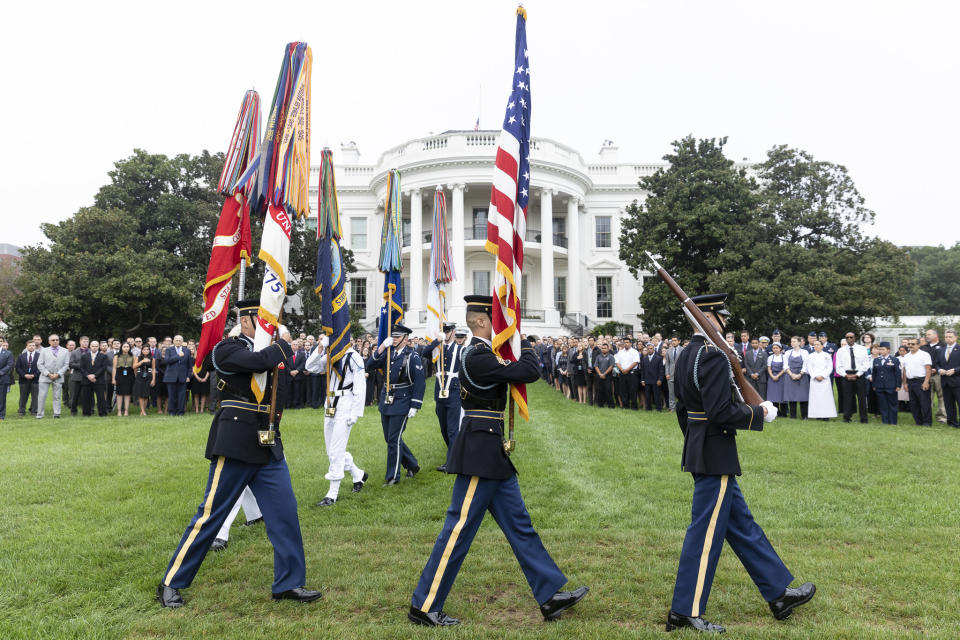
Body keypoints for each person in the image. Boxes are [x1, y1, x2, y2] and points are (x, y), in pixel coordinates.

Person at [408, 295, 589, 627]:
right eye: (498, 321)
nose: (504, 328)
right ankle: (425, 605)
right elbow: (530, 371)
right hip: (479, 451)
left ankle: (548, 596)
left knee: (521, 526)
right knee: (457, 530)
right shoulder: (477, 355)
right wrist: (528, 343)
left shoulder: (485, 354)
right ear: (480, 322)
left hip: (491, 452)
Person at [157, 299, 321, 608]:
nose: (270, 326)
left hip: (269, 441)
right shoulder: (227, 349)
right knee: (211, 516)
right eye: (263, 320)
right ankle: (171, 582)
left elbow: (278, 393)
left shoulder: (273, 353)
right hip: (235, 440)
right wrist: (284, 346)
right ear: (245, 321)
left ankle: (288, 583)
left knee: (285, 514)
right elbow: (257, 362)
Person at [666, 293, 815, 634]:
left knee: (742, 526)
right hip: (716, 454)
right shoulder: (714, 356)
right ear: (707, 319)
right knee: (704, 536)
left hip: (702, 450)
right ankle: (684, 611)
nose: (725, 324)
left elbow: (682, 409)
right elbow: (721, 412)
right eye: (720, 318)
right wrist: (758, 412)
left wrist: (694, 443)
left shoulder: (687, 353)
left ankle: (778, 594)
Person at [305, 334, 369, 506]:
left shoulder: (354, 357)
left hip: (346, 404)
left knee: (336, 450)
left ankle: (332, 494)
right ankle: (358, 474)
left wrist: (355, 412)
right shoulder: (331, 356)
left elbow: (360, 386)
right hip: (330, 404)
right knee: (331, 450)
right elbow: (310, 366)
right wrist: (320, 348)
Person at [366, 323, 425, 485]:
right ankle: (412, 464)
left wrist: (415, 405)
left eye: (397, 337)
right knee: (390, 438)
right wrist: (380, 348)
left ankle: (393, 476)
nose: (394, 339)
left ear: (405, 339)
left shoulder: (412, 357)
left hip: (402, 400)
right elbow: (370, 365)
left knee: (393, 439)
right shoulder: (388, 353)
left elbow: (420, 383)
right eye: (393, 337)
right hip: (386, 399)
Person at [834, 332, 870, 424]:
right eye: (847, 337)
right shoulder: (840, 351)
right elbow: (838, 366)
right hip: (846, 375)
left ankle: (864, 418)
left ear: (855, 338)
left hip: (859, 375)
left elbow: (866, 364)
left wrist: (857, 374)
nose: (849, 339)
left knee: (861, 398)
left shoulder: (862, 349)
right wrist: (846, 375)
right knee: (847, 397)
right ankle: (847, 417)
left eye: (851, 337)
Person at [36, 334, 70, 419]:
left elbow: (66, 365)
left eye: (57, 340)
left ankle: (57, 413)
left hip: (58, 377)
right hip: (45, 377)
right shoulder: (44, 351)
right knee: (42, 396)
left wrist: (58, 374)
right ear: (49, 342)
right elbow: (39, 364)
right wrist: (48, 374)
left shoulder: (65, 351)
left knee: (57, 396)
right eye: (53, 340)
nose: (55, 341)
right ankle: (40, 414)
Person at [901, 338, 933, 426]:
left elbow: (928, 369)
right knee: (913, 404)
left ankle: (927, 422)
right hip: (910, 382)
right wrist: (905, 383)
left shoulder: (924, 354)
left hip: (921, 381)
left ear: (918, 345)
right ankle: (918, 422)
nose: (910, 346)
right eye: (909, 344)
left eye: (913, 344)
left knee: (924, 403)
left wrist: (926, 382)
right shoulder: (906, 356)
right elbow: (904, 371)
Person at [869, 342, 901, 425]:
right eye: (880, 349)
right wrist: (874, 385)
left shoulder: (895, 360)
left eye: (883, 349)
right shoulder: (876, 360)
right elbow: (874, 373)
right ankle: (885, 421)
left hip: (891, 386)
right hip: (879, 386)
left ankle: (893, 421)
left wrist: (898, 385)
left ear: (888, 350)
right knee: (883, 404)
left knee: (892, 404)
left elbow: (898, 373)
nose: (881, 351)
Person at [805, 340, 837, 420]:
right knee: (816, 398)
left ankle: (826, 416)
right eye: (815, 345)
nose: (816, 346)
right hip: (814, 379)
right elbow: (809, 368)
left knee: (826, 398)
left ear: (822, 346)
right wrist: (815, 376)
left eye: (818, 345)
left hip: (825, 380)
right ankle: (817, 415)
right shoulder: (810, 356)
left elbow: (830, 367)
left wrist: (823, 376)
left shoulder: (827, 355)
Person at [921, 329, 947, 424]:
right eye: (926, 334)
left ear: (936, 335)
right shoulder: (923, 347)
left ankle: (942, 417)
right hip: (926, 375)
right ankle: (927, 417)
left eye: (929, 334)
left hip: (940, 375)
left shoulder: (944, 346)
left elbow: (946, 360)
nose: (927, 336)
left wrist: (936, 368)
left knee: (942, 396)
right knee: (927, 396)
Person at [936, 329, 959, 428]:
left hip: (958, 381)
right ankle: (952, 423)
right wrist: (939, 369)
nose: (948, 338)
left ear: (956, 337)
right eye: (946, 337)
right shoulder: (941, 350)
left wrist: (955, 370)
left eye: (950, 337)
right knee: (949, 404)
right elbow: (936, 363)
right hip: (945, 382)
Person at [164, 335, 192, 416]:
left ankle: (180, 412)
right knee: (172, 395)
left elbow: (189, 366)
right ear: (173, 341)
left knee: (182, 396)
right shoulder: (169, 350)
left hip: (183, 377)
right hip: (171, 377)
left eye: (180, 340)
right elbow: (167, 361)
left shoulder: (187, 351)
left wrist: (188, 376)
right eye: (177, 340)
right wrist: (178, 356)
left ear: (182, 341)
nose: (178, 341)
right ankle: (172, 411)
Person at [783, 337, 809, 420]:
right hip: (790, 375)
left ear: (799, 343)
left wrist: (800, 374)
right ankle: (793, 416)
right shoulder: (787, 353)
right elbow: (785, 365)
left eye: (794, 341)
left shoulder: (804, 352)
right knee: (792, 396)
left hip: (802, 375)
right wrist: (791, 374)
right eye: (791, 341)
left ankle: (804, 416)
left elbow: (806, 365)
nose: (792, 343)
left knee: (803, 396)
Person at [81, 340, 109, 417]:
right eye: (93, 346)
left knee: (101, 397)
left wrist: (95, 375)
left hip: (98, 380)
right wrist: (88, 376)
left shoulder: (103, 356)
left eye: (96, 346)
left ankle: (102, 413)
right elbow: (82, 368)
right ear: (90, 346)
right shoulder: (84, 356)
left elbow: (103, 368)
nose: (94, 347)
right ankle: (86, 413)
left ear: (98, 347)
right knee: (87, 397)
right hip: (87, 380)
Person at [16, 340, 40, 416]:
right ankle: (21, 411)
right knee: (23, 396)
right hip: (23, 379)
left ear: (35, 347)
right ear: (26, 347)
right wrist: (24, 375)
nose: (31, 347)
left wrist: (34, 375)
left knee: (35, 396)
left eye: (33, 345)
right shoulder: (21, 356)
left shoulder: (39, 356)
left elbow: (41, 367)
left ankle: (34, 411)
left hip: (35, 379)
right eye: (30, 345)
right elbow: (18, 368)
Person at [615, 336, 640, 410]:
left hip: (632, 373)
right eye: (624, 342)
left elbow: (635, 362)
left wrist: (627, 370)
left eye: (627, 342)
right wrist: (622, 369)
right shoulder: (620, 352)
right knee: (623, 390)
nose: (625, 344)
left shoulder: (634, 351)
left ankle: (634, 406)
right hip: (622, 373)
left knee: (633, 390)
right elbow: (617, 362)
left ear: (630, 343)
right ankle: (625, 406)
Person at [112, 342, 136, 417]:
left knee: (127, 394)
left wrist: (135, 377)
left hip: (129, 375)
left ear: (129, 348)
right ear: (121, 347)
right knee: (119, 394)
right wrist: (113, 378)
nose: (126, 348)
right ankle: (119, 411)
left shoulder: (133, 356)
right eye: (124, 346)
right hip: (119, 374)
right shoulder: (117, 356)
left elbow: (134, 368)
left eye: (127, 347)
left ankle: (126, 411)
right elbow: (114, 368)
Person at [641, 342, 665, 411]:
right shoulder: (644, 359)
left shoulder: (658, 358)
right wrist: (642, 380)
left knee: (657, 395)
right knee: (647, 396)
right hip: (647, 380)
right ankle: (648, 408)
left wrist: (660, 379)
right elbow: (642, 370)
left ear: (654, 349)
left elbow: (661, 370)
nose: (649, 350)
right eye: (648, 349)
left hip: (656, 380)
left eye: (651, 348)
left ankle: (659, 408)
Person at [765, 342, 787, 414]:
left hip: (782, 377)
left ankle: (784, 412)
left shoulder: (784, 357)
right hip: (772, 377)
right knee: (773, 395)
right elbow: (769, 368)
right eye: (774, 348)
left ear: (780, 349)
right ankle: (776, 412)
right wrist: (772, 376)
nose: (775, 350)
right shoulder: (770, 357)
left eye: (776, 348)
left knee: (782, 395)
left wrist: (777, 376)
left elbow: (784, 368)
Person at [133, 346, 155, 416]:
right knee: (140, 394)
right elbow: (134, 366)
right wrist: (142, 361)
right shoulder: (138, 358)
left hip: (148, 376)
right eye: (144, 349)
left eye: (147, 349)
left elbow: (153, 369)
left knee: (146, 395)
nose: (146, 350)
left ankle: (143, 410)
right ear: (142, 350)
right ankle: (142, 410)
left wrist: (153, 379)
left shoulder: (152, 359)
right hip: (140, 377)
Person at [593, 341, 615, 408]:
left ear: (608, 349)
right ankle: (600, 405)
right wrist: (600, 374)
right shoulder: (598, 356)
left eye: (605, 348)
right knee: (599, 391)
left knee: (608, 391)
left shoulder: (611, 356)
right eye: (602, 348)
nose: (603, 349)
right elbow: (596, 366)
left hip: (608, 376)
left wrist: (604, 374)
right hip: (599, 376)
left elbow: (611, 366)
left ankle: (611, 405)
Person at [665, 337, 682, 411]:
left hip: (680, 374)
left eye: (675, 341)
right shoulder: (668, 351)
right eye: (672, 341)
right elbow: (667, 364)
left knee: (681, 392)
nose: (673, 342)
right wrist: (667, 373)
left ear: (679, 341)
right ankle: (672, 408)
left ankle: (681, 407)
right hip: (670, 375)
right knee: (671, 393)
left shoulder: (683, 350)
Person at [0, 339, 13, 421]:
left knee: (1, 398)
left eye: (1, 341)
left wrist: (1, 372)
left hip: (3, 377)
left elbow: (10, 364)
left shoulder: (8, 353)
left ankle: (1, 415)